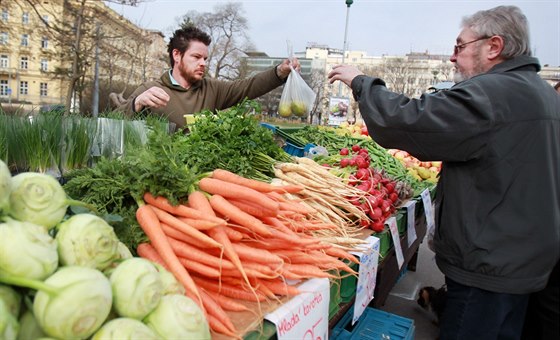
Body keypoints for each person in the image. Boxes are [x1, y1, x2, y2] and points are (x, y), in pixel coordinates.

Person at [328, 5, 559, 340]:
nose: (453, 58)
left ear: (494, 46)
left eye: (460, 46)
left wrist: (361, 83)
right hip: (523, 262)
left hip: (490, 268)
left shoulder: (494, 94)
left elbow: (413, 121)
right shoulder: (539, 92)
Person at [118, 25, 300, 128]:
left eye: (205, 58)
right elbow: (112, 123)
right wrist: (136, 104)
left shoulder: (212, 90)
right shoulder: (150, 90)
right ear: (176, 55)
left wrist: (279, 72)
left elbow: (248, 86)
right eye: (196, 57)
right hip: (161, 175)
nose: (203, 63)